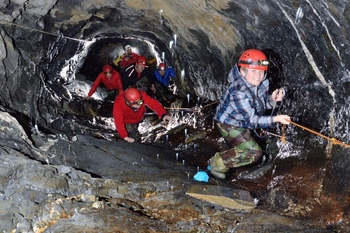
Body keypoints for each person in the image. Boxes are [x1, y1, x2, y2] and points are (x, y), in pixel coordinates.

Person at [208, 49, 291, 179]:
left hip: (244, 120)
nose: (258, 75)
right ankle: (217, 163)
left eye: (261, 71)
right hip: (229, 123)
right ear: (243, 71)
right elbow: (252, 120)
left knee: (248, 145)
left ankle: (227, 155)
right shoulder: (237, 91)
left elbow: (260, 106)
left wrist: (272, 99)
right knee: (254, 152)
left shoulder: (263, 82)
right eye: (253, 71)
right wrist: (276, 119)